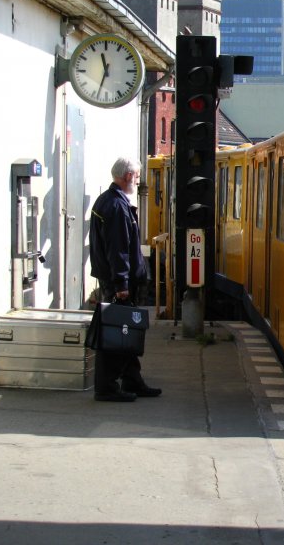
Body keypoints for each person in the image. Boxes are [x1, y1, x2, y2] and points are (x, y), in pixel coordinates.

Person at [89, 157, 161, 402]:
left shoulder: (109, 201)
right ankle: (106, 387)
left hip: (118, 280)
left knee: (126, 330)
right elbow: (118, 249)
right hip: (120, 283)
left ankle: (132, 379)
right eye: (138, 176)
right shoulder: (117, 207)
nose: (139, 180)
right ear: (128, 176)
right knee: (115, 333)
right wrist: (121, 285)